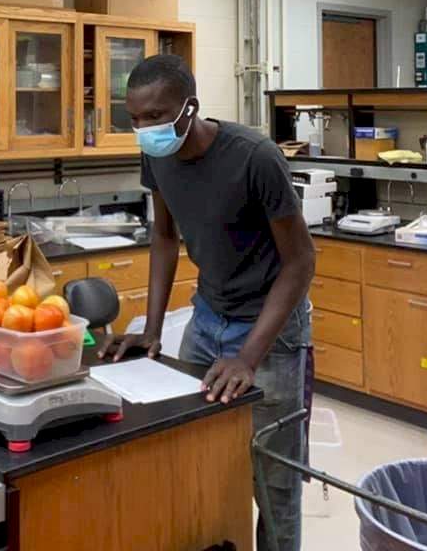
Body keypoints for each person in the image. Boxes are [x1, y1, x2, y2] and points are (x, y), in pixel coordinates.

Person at [100, 54, 315, 551]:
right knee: (200, 454)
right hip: (207, 318)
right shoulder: (156, 155)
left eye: (155, 116)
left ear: (189, 107)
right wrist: (152, 329)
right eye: (135, 119)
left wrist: (248, 357)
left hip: (270, 332)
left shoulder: (255, 157)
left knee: (275, 480)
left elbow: (301, 262)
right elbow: (163, 235)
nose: (145, 128)